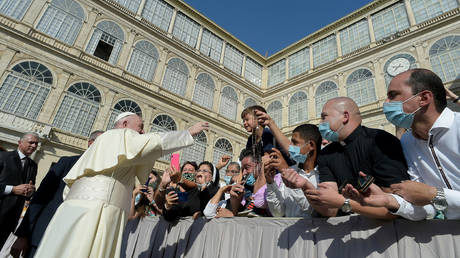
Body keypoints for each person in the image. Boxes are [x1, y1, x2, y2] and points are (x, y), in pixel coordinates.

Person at [34, 112, 208, 258]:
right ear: (125, 124)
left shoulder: (109, 143)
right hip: (98, 208)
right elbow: (151, 142)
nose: (143, 131)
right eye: (140, 127)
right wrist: (188, 133)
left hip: (88, 207)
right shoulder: (117, 135)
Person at [351, 68, 460, 220]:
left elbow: (432, 196)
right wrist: (392, 201)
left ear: (424, 98)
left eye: (393, 95)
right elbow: (428, 210)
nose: (385, 103)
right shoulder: (407, 141)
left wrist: (434, 194)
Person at [307, 97, 410, 219]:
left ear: (345, 116)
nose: (320, 123)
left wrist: (344, 203)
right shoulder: (326, 154)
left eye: (324, 117)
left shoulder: (379, 141)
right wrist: (305, 187)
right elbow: (330, 209)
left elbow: (395, 208)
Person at [11, 130, 103, 258]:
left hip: (74, 244)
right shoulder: (67, 163)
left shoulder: (104, 174)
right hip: (42, 237)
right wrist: (23, 235)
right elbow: (40, 197)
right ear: (90, 143)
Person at [264, 124, 322, 218]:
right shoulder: (292, 169)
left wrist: (287, 171)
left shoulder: (322, 174)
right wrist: (270, 182)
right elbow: (278, 213)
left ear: (310, 145)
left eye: (295, 143)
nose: (290, 147)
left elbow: (310, 211)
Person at [0, 132, 39, 250]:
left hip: (10, 220)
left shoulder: (33, 165)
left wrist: (31, 191)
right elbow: (16, 189)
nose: (34, 146)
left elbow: (28, 189)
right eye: (31, 142)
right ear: (20, 142)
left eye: (36, 143)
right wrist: (12, 189)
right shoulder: (3, 157)